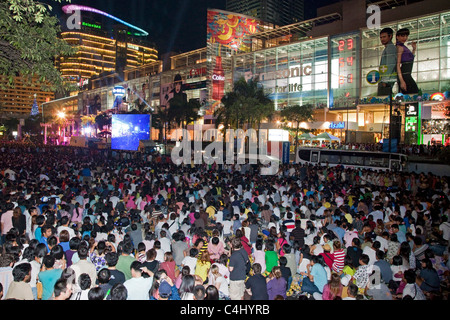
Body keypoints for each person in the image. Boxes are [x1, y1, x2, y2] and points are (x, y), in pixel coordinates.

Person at [396, 28, 418, 94]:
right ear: (397, 37)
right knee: (412, 95)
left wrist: (414, 49)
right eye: (402, 36)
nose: (405, 38)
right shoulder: (400, 48)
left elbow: (410, 59)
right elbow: (397, 65)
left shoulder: (403, 47)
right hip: (404, 76)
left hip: (407, 75)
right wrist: (402, 81)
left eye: (406, 36)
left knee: (413, 95)